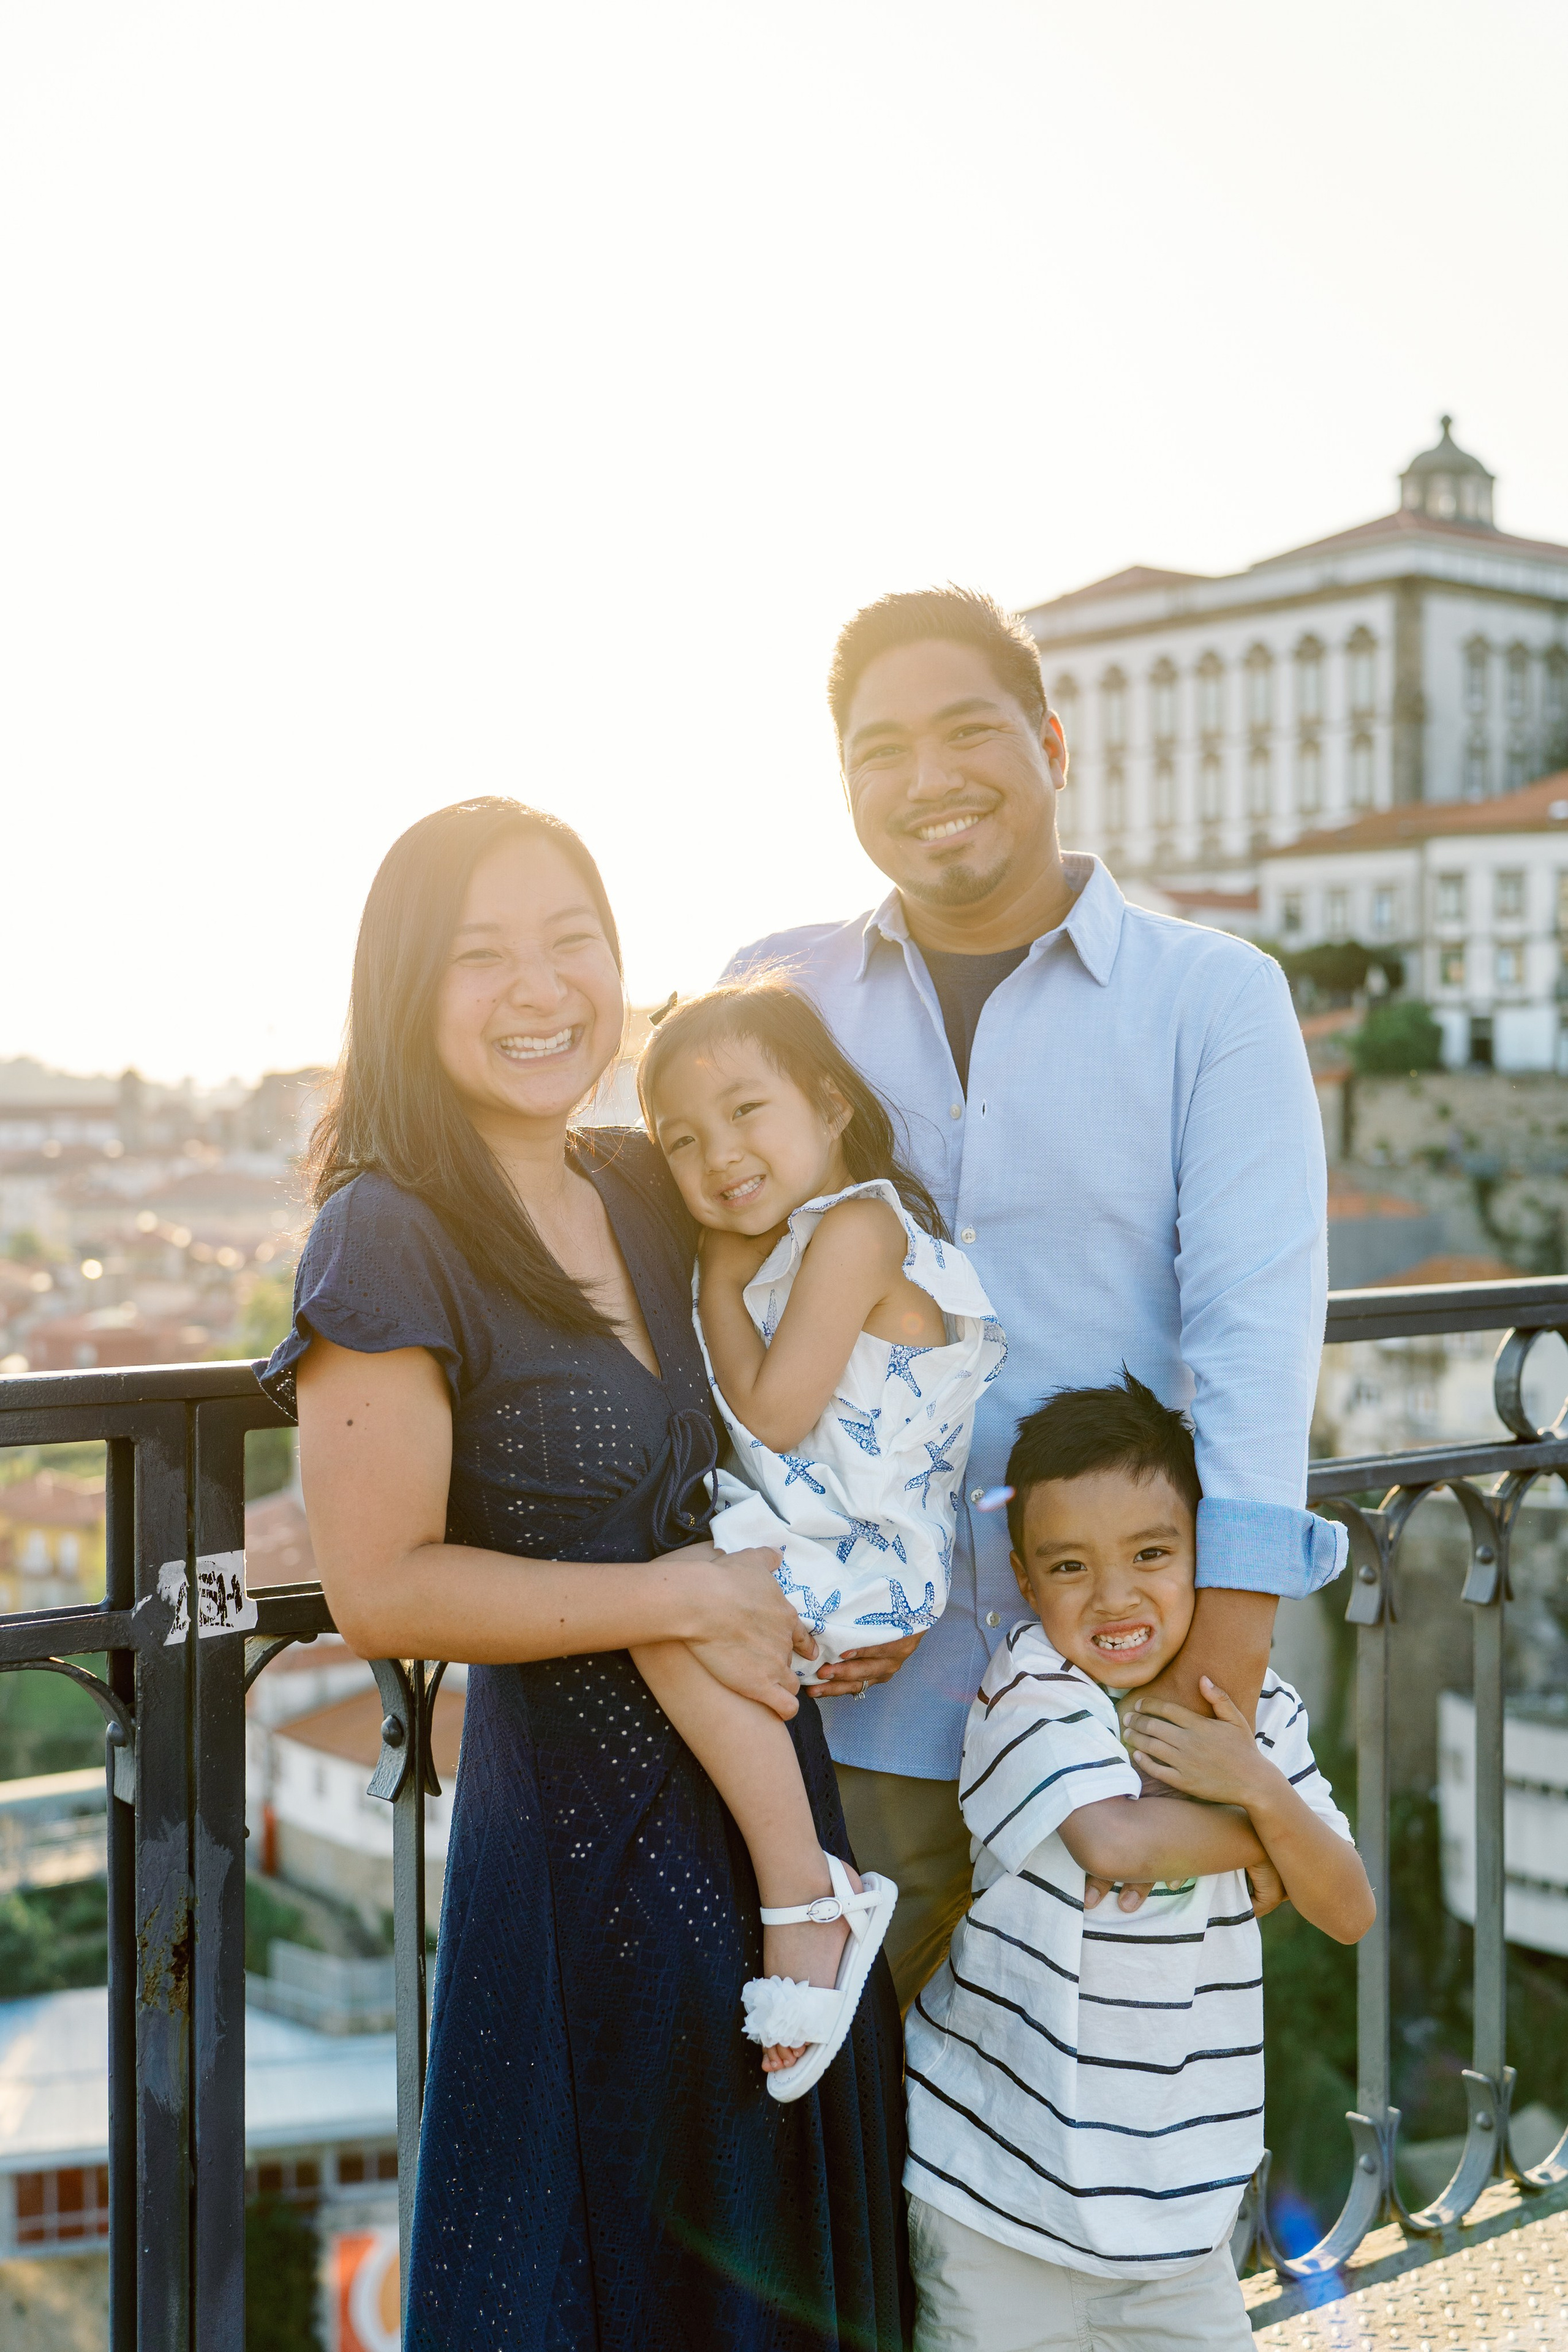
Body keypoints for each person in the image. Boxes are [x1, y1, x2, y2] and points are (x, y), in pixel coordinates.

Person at [258, 797, 913, 2352]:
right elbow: (381, 1590)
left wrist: (838, 1596)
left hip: (771, 1822)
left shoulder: (636, 1178)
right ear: (407, 990)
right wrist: (680, 1600)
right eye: (482, 955)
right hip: (580, 1861)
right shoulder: (385, 1232)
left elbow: (764, 1424)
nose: (542, 988)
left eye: (574, 942)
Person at [725, 587, 1347, 2003]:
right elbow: (693, 1279)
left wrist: (1225, 1653)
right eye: (878, 751)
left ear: (1052, 744)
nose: (925, 782)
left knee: (1099, 2120)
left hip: (1102, 1698)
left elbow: (1254, 1316)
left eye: (966, 733)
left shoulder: (1211, 995)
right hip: (841, 1692)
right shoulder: (777, 994)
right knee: (839, 2137)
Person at [904, 1376, 1371, 2351]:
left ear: (1207, 1553)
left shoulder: (1255, 1712)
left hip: (1180, 2223)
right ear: (1027, 1585)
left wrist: (1253, 1781)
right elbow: (1115, 1844)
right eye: (1069, 1567)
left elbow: (1348, 1905)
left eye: (1152, 1554)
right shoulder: (1030, 1685)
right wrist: (1269, 1820)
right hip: (997, 2198)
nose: (1115, 1598)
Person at [633, 978, 1006, 2094]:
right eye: (682, 1140)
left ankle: (811, 1896)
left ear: (832, 1107)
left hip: (870, 1560)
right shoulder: (810, 1238)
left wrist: (711, 1284)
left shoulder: (855, 1225)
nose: (718, 1157)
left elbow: (779, 1415)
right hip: (836, 1545)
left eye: (749, 1111)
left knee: (662, 1615)